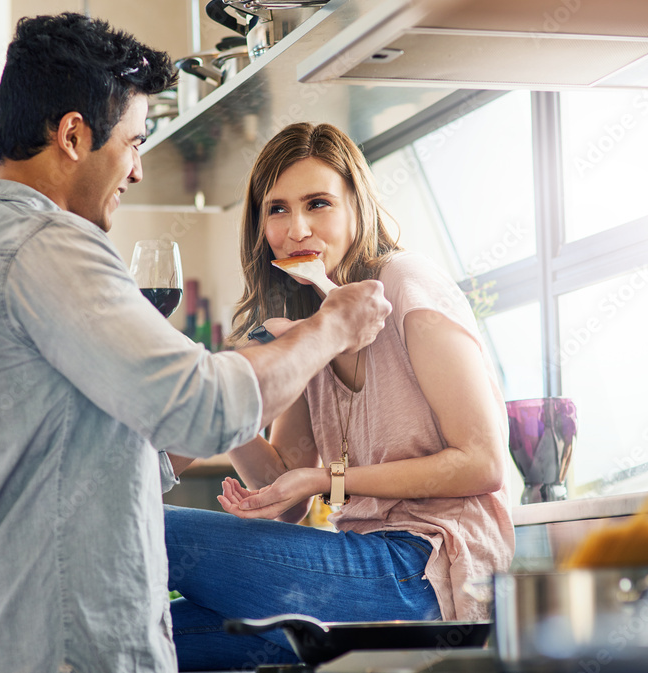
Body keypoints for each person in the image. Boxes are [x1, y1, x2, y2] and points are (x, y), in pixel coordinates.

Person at [0, 16, 390, 673]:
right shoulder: (47, 243)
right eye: (135, 142)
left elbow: (101, 448)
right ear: (74, 135)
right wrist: (331, 326)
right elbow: (203, 405)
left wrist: (261, 357)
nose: (137, 170)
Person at [163, 122, 516, 670]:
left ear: (357, 206)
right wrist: (232, 393)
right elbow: (289, 493)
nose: (296, 228)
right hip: (358, 573)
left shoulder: (406, 283)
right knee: (134, 644)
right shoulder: (310, 322)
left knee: (149, 525)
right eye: (276, 209)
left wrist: (330, 481)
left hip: (427, 573)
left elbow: (484, 462)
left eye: (318, 204)